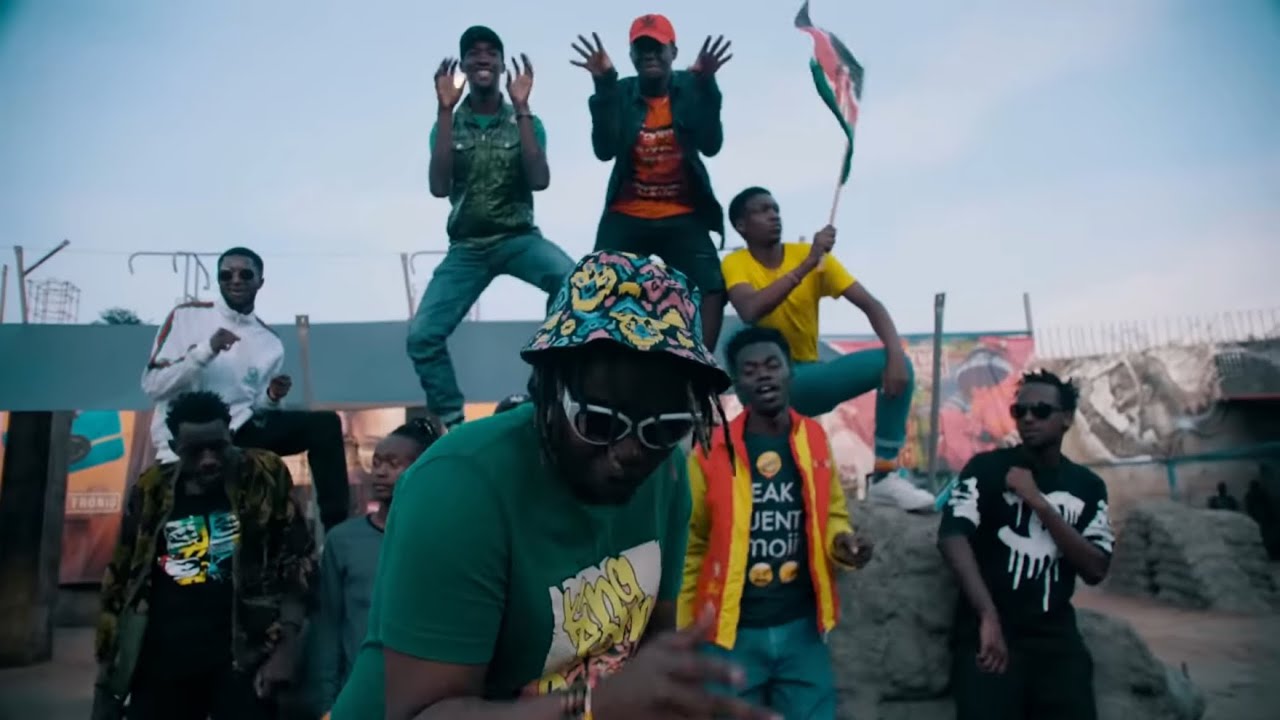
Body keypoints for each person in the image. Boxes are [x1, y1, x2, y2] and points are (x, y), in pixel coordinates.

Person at [328, 251, 776, 720]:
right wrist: (593, 707)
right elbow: (423, 715)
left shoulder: (666, 474)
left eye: (665, 427)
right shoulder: (459, 487)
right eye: (599, 421)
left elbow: (651, 649)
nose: (631, 450)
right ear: (546, 390)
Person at [680, 326, 872, 719]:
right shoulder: (712, 451)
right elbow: (691, 541)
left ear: (790, 372)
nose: (763, 376)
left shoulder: (814, 439)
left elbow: (832, 513)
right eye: (750, 370)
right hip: (731, 633)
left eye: (772, 365)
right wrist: (685, 631)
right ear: (737, 385)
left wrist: (843, 544)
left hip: (802, 630)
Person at [91, 391, 315, 720]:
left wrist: (287, 647)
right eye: (195, 451)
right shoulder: (152, 489)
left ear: (230, 435)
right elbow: (121, 579)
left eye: (218, 447)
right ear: (174, 447)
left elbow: (298, 560)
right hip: (161, 662)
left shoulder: (263, 475)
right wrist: (108, 676)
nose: (209, 460)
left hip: (242, 658)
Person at [408, 25, 574, 430]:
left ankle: (544, 384)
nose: (482, 57)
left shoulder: (525, 120)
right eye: (473, 52)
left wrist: (522, 107)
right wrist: (444, 111)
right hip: (467, 247)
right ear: (464, 66)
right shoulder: (447, 123)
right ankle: (453, 422)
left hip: (518, 238)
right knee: (422, 336)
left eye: (491, 52)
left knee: (574, 283)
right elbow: (438, 187)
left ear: (501, 65)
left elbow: (539, 180)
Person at [937, 370, 1115, 720]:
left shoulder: (1087, 486)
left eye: (1041, 411)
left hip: (1054, 639)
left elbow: (1096, 569)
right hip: (988, 634)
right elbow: (952, 537)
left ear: (1066, 419)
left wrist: (1038, 502)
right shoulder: (986, 469)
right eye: (1020, 411)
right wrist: (987, 615)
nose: (1029, 418)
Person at [141, 246, 351, 531]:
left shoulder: (269, 342)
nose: (235, 280)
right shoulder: (186, 316)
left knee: (324, 425)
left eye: (245, 274)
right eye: (226, 275)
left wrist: (272, 397)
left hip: (238, 432)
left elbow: (256, 408)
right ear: (218, 280)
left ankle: (337, 530)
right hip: (188, 437)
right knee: (196, 534)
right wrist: (206, 350)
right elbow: (153, 385)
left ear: (260, 281)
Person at [720, 187, 915, 478]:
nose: (773, 215)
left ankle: (886, 470)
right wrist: (807, 265)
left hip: (809, 376)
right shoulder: (736, 262)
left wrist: (896, 355)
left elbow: (871, 305)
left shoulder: (810, 256)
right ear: (741, 226)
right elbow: (750, 309)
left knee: (898, 364)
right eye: (762, 210)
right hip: (765, 383)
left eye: (775, 209)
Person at [571, 14, 733, 351]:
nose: (650, 55)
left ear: (673, 52)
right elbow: (604, 150)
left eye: (657, 48)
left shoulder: (691, 86)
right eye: (641, 49)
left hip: (682, 213)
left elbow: (711, 144)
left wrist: (707, 85)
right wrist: (604, 86)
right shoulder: (619, 91)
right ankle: (602, 360)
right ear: (631, 56)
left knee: (712, 286)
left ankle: (701, 364)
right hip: (627, 213)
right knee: (596, 285)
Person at [308, 419, 442, 716]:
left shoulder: (444, 539)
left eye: (394, 464)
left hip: (428, 700)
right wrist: (326, 703)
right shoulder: (343, 541)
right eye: (377, 462)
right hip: (358, 700)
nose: (380, 472)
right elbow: (327, 628)